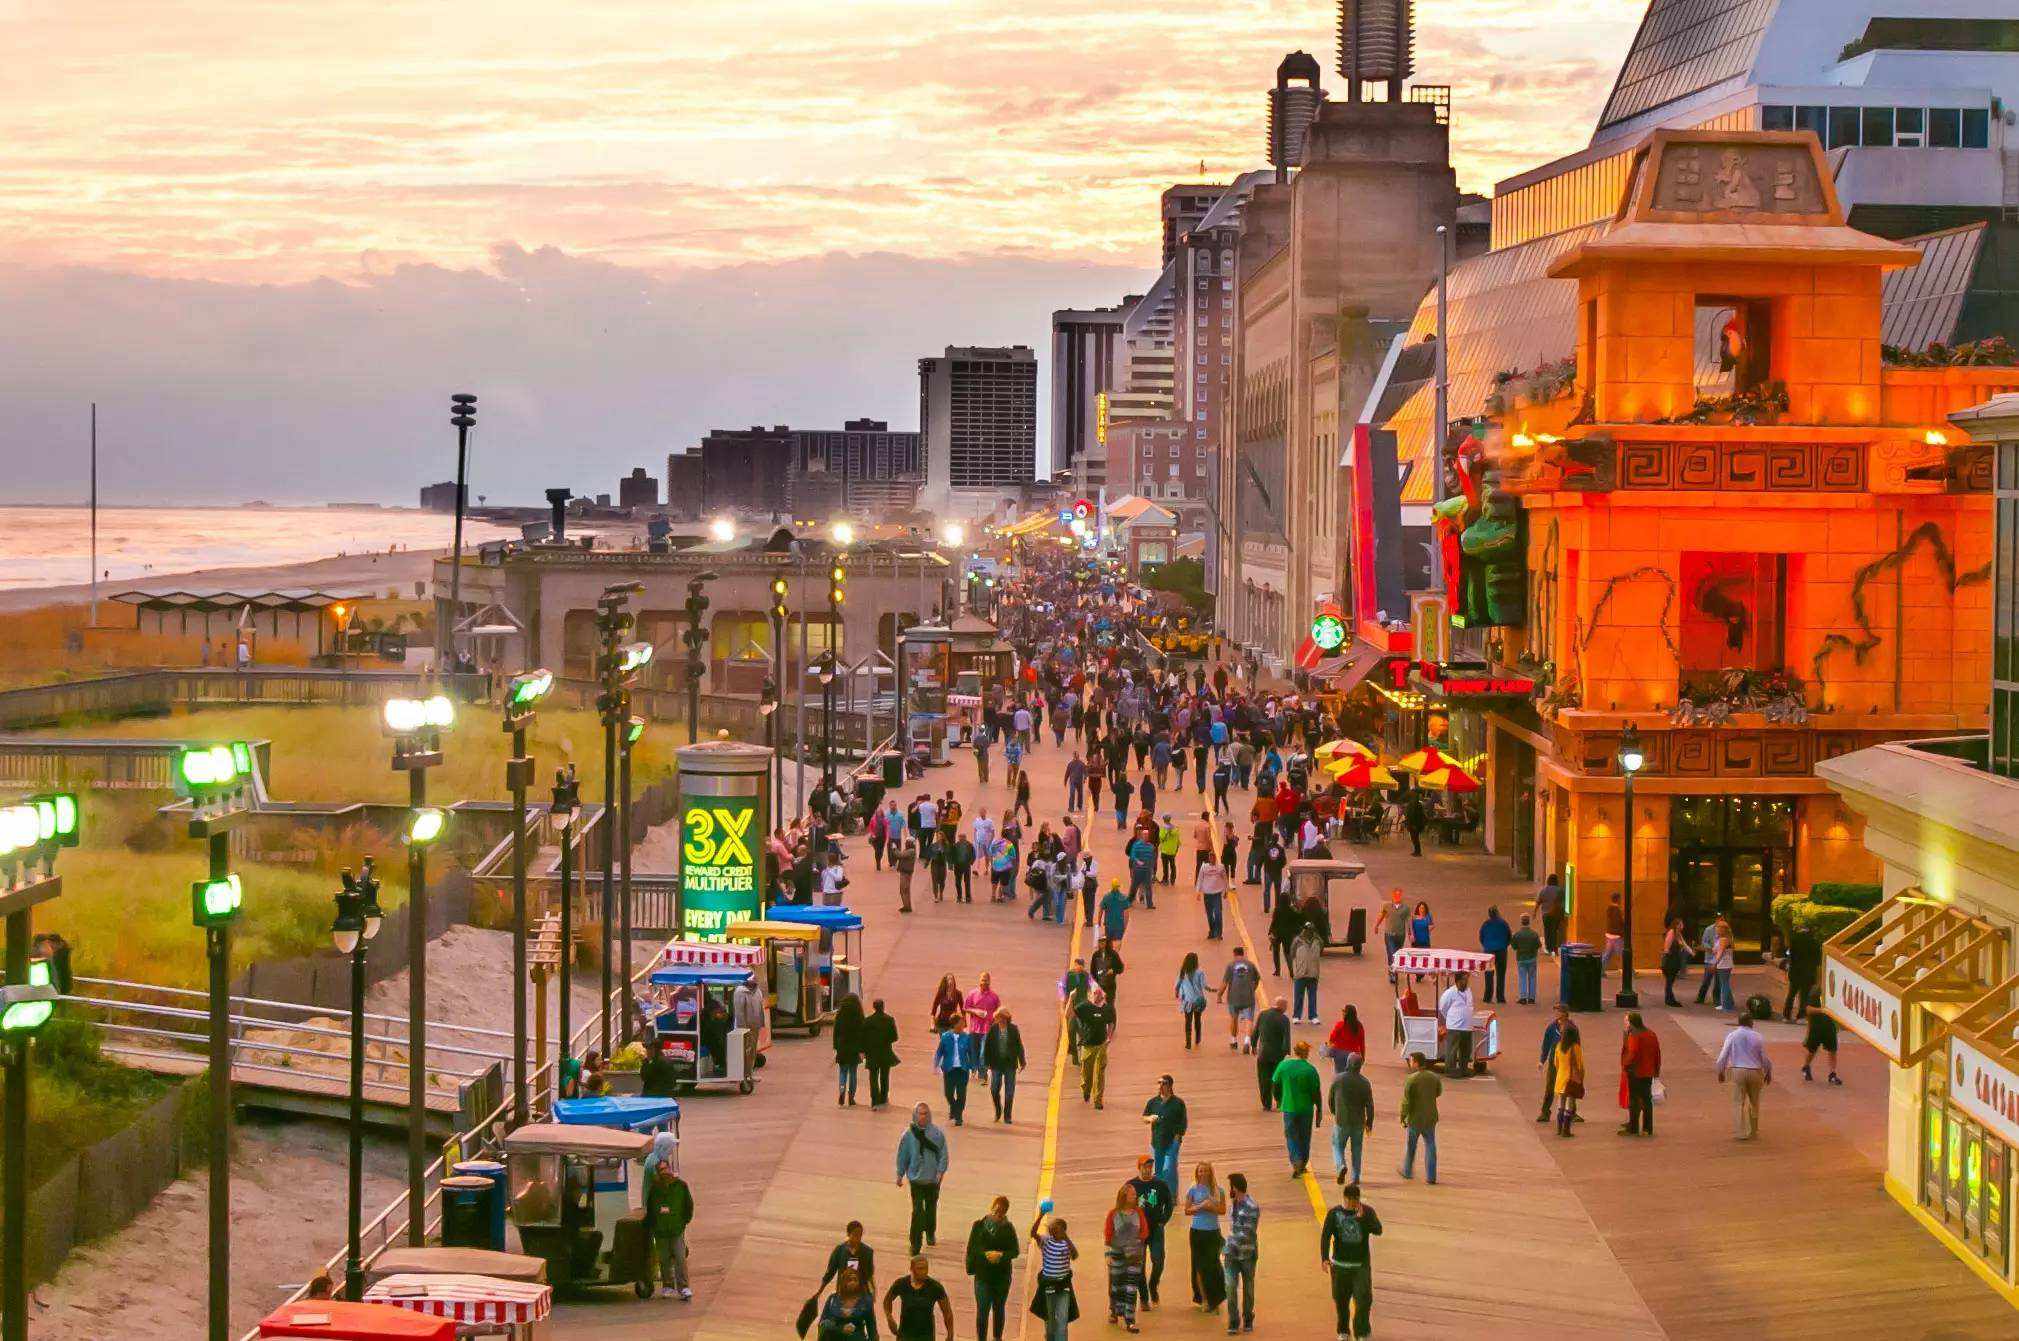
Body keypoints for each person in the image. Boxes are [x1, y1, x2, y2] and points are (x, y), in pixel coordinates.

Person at [1319, 1181, 1382, 1341]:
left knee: (1363, 1300)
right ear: (1345, 1199)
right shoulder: (1334, 1214)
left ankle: (1362, 1331)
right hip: (1340, 1266)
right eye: (1350, 1201)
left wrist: (1363, 1219)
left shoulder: (1366, 1212)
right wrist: (1325, 1258)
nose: (1353, 1204)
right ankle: (1343, 1331)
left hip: (1360, 1265)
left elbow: (1378, 1230)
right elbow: (1326, 1235)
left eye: (1356, 1201)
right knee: (1341, 1301)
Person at [895, 1103, 950, 1255]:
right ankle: (915, 1243)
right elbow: (903, 1155)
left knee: (931, 1209)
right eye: (920, 1113)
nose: (923, 1116)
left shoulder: (937, 1134)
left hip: (932, 1180)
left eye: (926, 1113)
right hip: (916, 1180)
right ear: (915, 1114)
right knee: (918, 1212)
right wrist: (900, 1173)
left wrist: (940, 1172)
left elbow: (943, 1154)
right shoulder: (908, 1135)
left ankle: (930, 1232)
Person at [965, 1196, 1020, 1341]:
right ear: (992, 1208)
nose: (998, 1215)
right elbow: (972, 1249)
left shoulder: (1008, 1228)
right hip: (983, 1276)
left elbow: (1015, 1251)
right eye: (996, 1211)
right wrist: (985, 1255)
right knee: (982, 1310)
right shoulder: (979, 1225)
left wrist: (1001, 1255)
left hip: (1001, 1276)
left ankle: (997, 1337)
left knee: (999, 1308)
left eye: (1001, 1213)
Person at [1126, 1153, 1175, 1310]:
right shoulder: (1131, 1185)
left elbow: (1169, 1202)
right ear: (1139, 1168)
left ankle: (1153, 1285)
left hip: (1155, 1229)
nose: (1147, 1170)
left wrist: (1163, 1220)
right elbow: (1123, 1206)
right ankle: (1144, 1297)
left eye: (1149, 1167)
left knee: (1158, 1260)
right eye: (1144, 1167)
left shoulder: (1160, 1184)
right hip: (1138, 1232)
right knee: (1139, 1266)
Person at [1715, 1009, 1773, 1140]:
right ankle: (1753, 1130)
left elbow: (1723, 1055)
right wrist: (1768, 1071)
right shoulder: (1757, 1036)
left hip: (1738, 1070)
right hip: (1755, 1071)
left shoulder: (1732, 1036)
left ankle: (1740, 1132)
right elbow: (1763, 1057)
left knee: (1738, 1102)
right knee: (1754, 1102)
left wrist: (1720, 1071)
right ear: (1750, 1022)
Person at [643, 1155, 695, 1299]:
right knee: (664, 1259)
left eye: (665, 1169)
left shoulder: (681, 1186)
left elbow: (688, 1206)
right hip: (660, 1231)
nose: (664, 1172)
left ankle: (684, 1287)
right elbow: (651, 1209)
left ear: (670, 1169)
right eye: (661, 1170)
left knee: (680, 1258)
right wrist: (653, 1226)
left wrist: (683, 1222)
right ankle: (667, 1286)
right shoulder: (655, 1189)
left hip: (676, 1229)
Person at [1028, 1207, 1080, 1341]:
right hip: (1048, 1286)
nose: (1052, 1231)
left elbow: (1075, 1255)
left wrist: (1066, 1239)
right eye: (1051, 1229)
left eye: (1056, 1229)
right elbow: (1033, 1233)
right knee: (1050, 1321)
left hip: (1063, 1287)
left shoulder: (1066, 1244)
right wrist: (1040, 1215)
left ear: (1063, 1231)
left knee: (1062, 1322)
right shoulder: (1046, 1241)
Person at [1272, 1040, 1323, 1176]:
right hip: (1306, 1108)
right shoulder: (1310, 1070)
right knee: (1305, 1137)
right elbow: (1316, 1092)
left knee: (1291, 1136)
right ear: (1306, 1053)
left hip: (1289, 1107)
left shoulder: (1284, 1065)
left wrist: (1278, 1099)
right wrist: (1319, 1111)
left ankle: (1296, 1160)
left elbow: (1275, 1083)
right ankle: (1303, 1162)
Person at [1102, 1184, 1149, 1331]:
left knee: (1131, 1287)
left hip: (1134, 1254)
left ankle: (1130, 1319)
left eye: (1135, 1194)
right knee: (1116, 1285)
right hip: (1117, 1254)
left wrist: (1134, 1244)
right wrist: (1111, 1251)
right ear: (1124, 1196)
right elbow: (1108, 1235)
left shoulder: (1139, 1213)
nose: (1135, 1196)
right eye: (1132, 1194)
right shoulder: (1113, 1214)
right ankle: (1115, 1310)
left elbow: (1144, 1232)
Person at [1183, 1163, 1228, 1313]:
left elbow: (1222, 1210)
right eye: (1200, 1171)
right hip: (1197, 1232)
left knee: (1214, 1266)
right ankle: (1205, 1299)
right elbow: (1187, 1210)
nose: (1203, 1173)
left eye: (1206, 1171)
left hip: (1213, 1231)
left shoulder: (1218, 1190)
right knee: (1200, 1267)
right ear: (1197, 1173)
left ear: (1210, 1173)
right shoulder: (1192, 1189)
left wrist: (1212, 1207)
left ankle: (1216, 1298)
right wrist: (1201, 1206)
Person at [1220, 1172, 1260, 1334]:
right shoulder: (1234, 1204)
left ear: (1235, 1187)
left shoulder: (1252, 1206)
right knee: (1230, 1287)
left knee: (1248, 1289)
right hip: (1232, 1256)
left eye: (1231, 1186)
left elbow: (1247, 1232)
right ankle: (1233, 1321)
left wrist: (1227, 1245)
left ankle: (1248, 1317)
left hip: (1247, 1254)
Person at [1327, 1052, 1374, 1184]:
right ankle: (1355, 1177)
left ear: (1348, 1063)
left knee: (1337, 1146)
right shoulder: (1365, 1082)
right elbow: (1370, 1105)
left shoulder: (1338, 1079)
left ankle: (1341, 1165)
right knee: (1357, 1150)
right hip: (1358, 1122)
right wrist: (1369, 1123)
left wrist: (1334, 1112)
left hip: (1342, 1119)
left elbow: (1330, 1098)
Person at [883, 1255, 953, 1341]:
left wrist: (950, 1334)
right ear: (911, 1268)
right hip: (905, 1334)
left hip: (926, 1335)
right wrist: (889, 1318)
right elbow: (887, 1301)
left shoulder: (935, 1287)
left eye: (925, 1268)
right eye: (920, 1268)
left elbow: (947, 1312)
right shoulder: (902, 1283)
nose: (923, 1272)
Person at [1141, 1073, 1188, 1194]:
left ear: (1170, 1086)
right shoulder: (1153, 1102)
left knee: (1170, 1169)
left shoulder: (1178, 1103)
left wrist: (1177, 1139)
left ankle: (1171, 1195)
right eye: (1159, 1083)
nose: (1161, 1086)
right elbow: (1144, 1117)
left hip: (1171, 1141)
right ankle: (1159, 1195)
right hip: (1156, 1142)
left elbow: (1183, 1122)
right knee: (1158, 1170)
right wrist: (1150, 1118)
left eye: (1164, 1083)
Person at [1398, 1052, 1441, 1183]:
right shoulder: (1434, 1077)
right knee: (1430, 1144)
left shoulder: (1412, 1079)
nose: (1410, 1063)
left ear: (1416, 1062)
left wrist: (1403, 1116)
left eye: (1411, 1060)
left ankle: (1407, 1170)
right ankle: (1431, 1176)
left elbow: (1406, 1101)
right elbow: (1439, 1092)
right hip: (1430, 1116)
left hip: (1415, 1118)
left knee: (1411, 1145)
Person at [1619, 1011, 1662, 1137]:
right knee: (1647, 1100)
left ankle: (1633, 1127)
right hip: (1648, 1071)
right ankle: (1647, 1128)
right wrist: (1656, 1069)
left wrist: (1625, 1064)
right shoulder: (1651, 1034)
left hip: (1636, 1072)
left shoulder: (1635, 1036)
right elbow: (1657, 1053)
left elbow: (1632, 1053)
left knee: (1634, 1100)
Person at [1075, 985, 1118, 1108]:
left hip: (1101, 1044)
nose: (1096, 996)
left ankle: (1098, 1100)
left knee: (1100, 1072)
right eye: (1094, 993)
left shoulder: (1107, 1009)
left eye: (1099, 994)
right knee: (1086, 1073)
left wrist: (1109, 1036)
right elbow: (1071, 1014)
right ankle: (1086, 1090)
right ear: (1089, 995)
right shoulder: (1084, 1007)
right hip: (1087, 1045)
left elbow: (1111, 1022)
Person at [983, 1007, 1026, 1124]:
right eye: (997, 1018)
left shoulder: (1013, 1029)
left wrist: (1022, 1061)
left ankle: (1007, 1116)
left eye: (1001, 1017)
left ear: (1006, 1018)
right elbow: (987, 1046)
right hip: (996, 1064)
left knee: (1009, 1091)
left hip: (1010, 1064)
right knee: (994, 1089)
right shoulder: (993, 1030)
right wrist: (986, 1063)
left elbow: (1019, 1046)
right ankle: (998, 1109)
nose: (999, 1020)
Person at [1252, 996, 1291, 1111]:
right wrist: (1285, 1052)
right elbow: (1286, 1038)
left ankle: (1266, 1104)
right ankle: (1279, 1101)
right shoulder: (1284, 1019)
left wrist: (1253, 1045)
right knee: (1278, 1079)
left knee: (1263, 1079)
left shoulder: (1263, 1015)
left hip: (1263, 1053)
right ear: (1282, 1006)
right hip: (1277, 1054)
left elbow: (1256, 1031)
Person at [818, 1266, 877, 1340]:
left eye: (855, 1280)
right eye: (849, 1280)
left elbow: (872, 1329)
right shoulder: (833, 1299)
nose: (852, 1282)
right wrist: (841, 1329)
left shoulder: (865, 1302)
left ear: (859, 1282)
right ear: (843, 1282)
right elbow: (822, 1323)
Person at [1218, 946, 1260, 1051]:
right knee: (1249, 1019)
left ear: (1234, 954)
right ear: (1243, 953)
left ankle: (1233, 1040)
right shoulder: (1250, 965)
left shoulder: (1231, 965)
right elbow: (1257, 979)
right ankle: (1247, 1041)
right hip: (1248, 996)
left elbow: (1225, 983)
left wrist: (1219, 995)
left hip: (1233, 997)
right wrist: (1252, 989)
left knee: (1234, 1018)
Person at [822, 1221, 878, 1297]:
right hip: (842, 1294)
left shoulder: (867, 1252)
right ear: (848, 1234)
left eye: (860, 1235)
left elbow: (869, 1275)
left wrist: (873, 1291)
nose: (858, 1238)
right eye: (855, 1234)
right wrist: (819, 1292)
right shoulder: (840, 1251)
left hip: (862, 1295)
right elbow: (830, 1273)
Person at [933, 1019, 971, 1127]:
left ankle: (958, 1117)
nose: (963, 1025)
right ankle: (954, 1108)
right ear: (955, 1024)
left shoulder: (967, 1037)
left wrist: (973, 1066)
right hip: (949, 1069)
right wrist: (936, 1064)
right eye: (961, 1023)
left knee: (961, 1094)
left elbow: (971, 1052)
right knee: (948, 1093)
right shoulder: (945, 1036)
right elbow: (939, 1051)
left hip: (962, 1070)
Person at [863, 998, 900, 1109]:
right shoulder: (889, 1020)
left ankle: (874, 1099)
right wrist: (886, 1040)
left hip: (872, 1052)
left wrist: (865, 1049)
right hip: (885, 1052)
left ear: (874, 1007)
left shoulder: (868, 1021)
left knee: (873, 1076)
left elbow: (863, 1038)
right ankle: (883, 1097)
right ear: (883, 1007)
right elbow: (895, 1037)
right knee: (884, 1076)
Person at [1552, 1020, 1586, 1137]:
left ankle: (1559, 1128)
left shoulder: (1559, 1046)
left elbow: (1555, 1063)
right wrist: (1581, 1077)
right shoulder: (1575, 1047)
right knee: (1569, 1104)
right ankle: (1566, 1130)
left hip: (1560, 1077)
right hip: (1570, 1078)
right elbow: (1580, 1065)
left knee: (1560, 1103)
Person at [1437, 971, 1476, 1078]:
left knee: (1466, 1049)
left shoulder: (1468, 991)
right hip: (1454, 1026)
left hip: (1467, 1026)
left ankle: (1464, 1068)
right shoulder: (1450, 992)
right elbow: (1443, 1007)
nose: (1466, 981)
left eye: (1467, 979)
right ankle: (1450, 1069)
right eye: (1464, 979)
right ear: (1458, 981)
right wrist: (1450, 1018)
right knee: (1452, 1049)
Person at [834, 992, 866, 1107]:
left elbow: (836, 1032)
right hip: (854, 1049)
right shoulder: (859, 1016)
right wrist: (863, 1049)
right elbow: (863, 1034)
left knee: (842, 1072)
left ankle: (842, 1092)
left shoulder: (840, 1014)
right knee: (853, 1073)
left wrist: (836, 1047)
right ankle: (851, 1097)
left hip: (842, 1048)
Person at [1289, 922, 1324, 1024]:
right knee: (1298, 996)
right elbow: (1292, 954)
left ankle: (1313, 1016)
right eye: (1306, 929)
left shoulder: (1318, 941)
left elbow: (1321, 951)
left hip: (1313, 973)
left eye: (1310, 930)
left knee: (1312, 996)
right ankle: (1296, 1016)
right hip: (1300, 973)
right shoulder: (1297, 941)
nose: (1308, 932)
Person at [1478, 906, 1512, 1004]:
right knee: (1501, 974)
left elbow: (1481, 936)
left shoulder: (1486, 924)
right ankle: (1500, 997)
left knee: (1489, 974)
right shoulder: (1503, 923)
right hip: (1501, 950)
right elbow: (1509, 936)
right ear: (1497, 913)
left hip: (1489, 951)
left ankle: (1488, 996)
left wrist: (1486, 945)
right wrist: (1505, 945)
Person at [1175, 952, 1209, 1050]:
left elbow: (1178, 985)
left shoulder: (1183, 972)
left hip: (1187, 1001)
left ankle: (1188, 1043)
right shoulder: (1200, 972)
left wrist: (1177, 993)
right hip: (1198, 1000)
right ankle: (1198, 1038)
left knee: (1188, 1022)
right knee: (1197, 1020)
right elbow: (1204, 986)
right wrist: (1212, 989)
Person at [1802, 1006, 1842, 1084]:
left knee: (1832, 1049)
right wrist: (1822, 1010)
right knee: (1812, 1050)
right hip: (1816, 1026)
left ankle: (1832, 1074)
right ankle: (1806, 1067)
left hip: (1830, 1026)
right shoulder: (1814, 994)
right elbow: (1808, 1010)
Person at [1510, 913, 1544, 1005]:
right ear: (1529, 922)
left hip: (1521, 958)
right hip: (1532, 958)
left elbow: (1514, 947)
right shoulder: (1534, 934)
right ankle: (1532, 998)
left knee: (1522, 978)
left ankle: (1523, 997)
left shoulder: (1517, 935)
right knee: (1532, 978)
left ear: (1521, 922)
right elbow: (1538, 945)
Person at [1266, 895, 1302, 978]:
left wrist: (1270, 932)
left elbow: (1274, 922)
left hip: (1277, 934)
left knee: (1276, 952)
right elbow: (1297, 920)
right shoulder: (1291, 910)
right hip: (1287, 935)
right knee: (1287, 953)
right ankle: (1291, 971)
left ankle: (1277, 970)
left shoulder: (1277, 910)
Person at [1324, 1005, 1366, 1076]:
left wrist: (1329, 1047)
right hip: (1354, 1055)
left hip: (1339, 1054)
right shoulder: (1359, 1026)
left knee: (1339, 1074)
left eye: (1343, 1011)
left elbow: (1332, 1039)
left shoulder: (1340, 1025)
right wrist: (1363, 1057)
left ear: (1346, 1013)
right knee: (1353, 1075)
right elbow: (1362, 1043)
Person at [1197, 854, 1229, 941]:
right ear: (1209, 859)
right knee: (1210, 915)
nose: (1212, 859)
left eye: (1214, 858)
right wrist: (1198, 892)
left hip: (1216, 894)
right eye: (1211, 858)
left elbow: (1225, 879)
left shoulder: (1220, 867)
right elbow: (1200, 879)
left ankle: (1219, 933)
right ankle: (1212, 931)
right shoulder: (1204, 867)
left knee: (1218, 914)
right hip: (1207, 894)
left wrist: (1226, 890)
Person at [1660, 916, 1689, 1007]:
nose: (1683, 925)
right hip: (1670, 961)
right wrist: (1666, 957)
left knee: (1670, 981)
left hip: (1674, 960)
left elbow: (1684, 945)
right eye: (1681, 924)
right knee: (1669, 980)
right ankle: (1669, 1000)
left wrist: (1691, 952)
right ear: (1677, 925)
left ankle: (1670, 999)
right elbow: (1666, 948)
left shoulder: (1678, 934)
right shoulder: (1672, 932)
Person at [1090, 936, 1126, 1009]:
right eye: (1100, 942)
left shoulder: (1113, 955)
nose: (1101, 944)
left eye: (1103, 942)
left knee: (1109, 1006)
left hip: (1110, 985)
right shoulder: (1096, 955)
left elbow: (1120, 968)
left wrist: (1113, 970)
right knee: (1099, 1006)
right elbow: (1092, 970)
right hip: (1099, 986)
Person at [1533, 873, 1565, 953]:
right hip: (1556, 914)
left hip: (1545, 914)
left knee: (1547, 931)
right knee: (1554, 930)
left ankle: (1548, 947)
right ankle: (1554, 947)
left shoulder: (1543, 890)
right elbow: (1560, 903)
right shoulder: (1560, 890)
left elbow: (1538, 902)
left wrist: (1534, 912)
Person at [1379, 890, 1409, 971]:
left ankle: (1394, 968)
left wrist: (1411, 933)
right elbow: (1382, 915)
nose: (1397, 897)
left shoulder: (1406, 908)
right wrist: (1377, 925)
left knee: (1397, 953)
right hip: (1389, 934)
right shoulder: (1386, 906)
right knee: (1391, 952)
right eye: (1395, 895)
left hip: (1400, 935)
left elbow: (1408, 921)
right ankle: (1392, 971)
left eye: (1399, 895)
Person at [892, 831, 918, 915]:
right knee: (905, 890)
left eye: (907, 842)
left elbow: (899, 855)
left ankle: (907, 907)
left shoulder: (910, 851)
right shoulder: (910, 850)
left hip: (906, 873)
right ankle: (906, 905)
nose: (905, 843)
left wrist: (895, 848)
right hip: (905, 872)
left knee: (904, 890)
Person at [1402, 788, 1427, 857]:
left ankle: (1417, 851)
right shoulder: (1415, 802)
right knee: (1414, 838)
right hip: (1415, 823)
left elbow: (1413, 814)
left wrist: (1412, 824)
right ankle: (1417, 851)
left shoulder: (1414, 803)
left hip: (1414, 824)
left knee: (1415, 838)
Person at [1156, 816, 1181, 885]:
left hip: (1164, 850)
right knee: (1173, 865)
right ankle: (1173, 879)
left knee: (1165, 866)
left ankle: (1165, 879)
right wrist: (1176, 849)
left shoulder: (1163, 829)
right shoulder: (1176, 829)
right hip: (1172, 851)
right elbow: (1178, 841)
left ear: (1164, 820)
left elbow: (1161, 838)